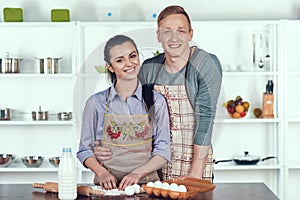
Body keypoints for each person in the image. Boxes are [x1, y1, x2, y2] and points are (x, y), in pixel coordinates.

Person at [94, 5, 222, 182]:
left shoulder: (205, 63)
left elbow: (206, 118)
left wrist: (195, 173)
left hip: (193, 164)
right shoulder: (149, 68)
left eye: (181, 31)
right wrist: (102, 144)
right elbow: (128, 110)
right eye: (167, 31)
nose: (174, 38)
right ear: (159, 35)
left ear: (190, 34)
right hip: (153, 164)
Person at [77, 35, 171, 190]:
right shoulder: (95, 103)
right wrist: (102, 173)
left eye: (132, 56)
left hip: (146, 186)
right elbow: (84, 150)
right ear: (110, 67)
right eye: (120, 60)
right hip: (107, 188)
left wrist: (137, 174)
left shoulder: (156, 100)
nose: (129, 63)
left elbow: (164, 150)